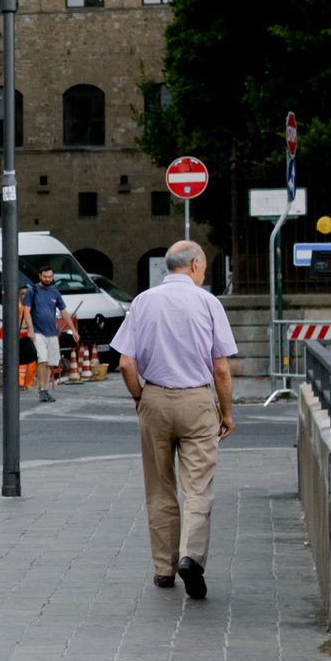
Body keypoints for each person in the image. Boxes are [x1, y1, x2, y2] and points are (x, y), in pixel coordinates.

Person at [112, 241, 239, 600]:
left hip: (154, 398)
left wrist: (140, 398)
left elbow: (125, 363)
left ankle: (164, 568)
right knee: (197, 487)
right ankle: (191, 558)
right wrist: (226, 412)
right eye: (204, 266)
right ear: (195, 264)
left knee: (159, 486)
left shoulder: (142, 302)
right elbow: (221, 368)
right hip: (197, 401)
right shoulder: (208, 303)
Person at [23, 265, 66, 402]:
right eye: (45, 276)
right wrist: (30, 329)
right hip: (38, 331)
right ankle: (41, 389)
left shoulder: (55, 292)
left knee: (50, 363)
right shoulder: (33, 290)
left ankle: (45, 389)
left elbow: (64, 312)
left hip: (52, 332)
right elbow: (26, 310)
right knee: (42, 360)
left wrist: (74, 330)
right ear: (40, 276)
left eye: (50, 277)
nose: (48, 279)